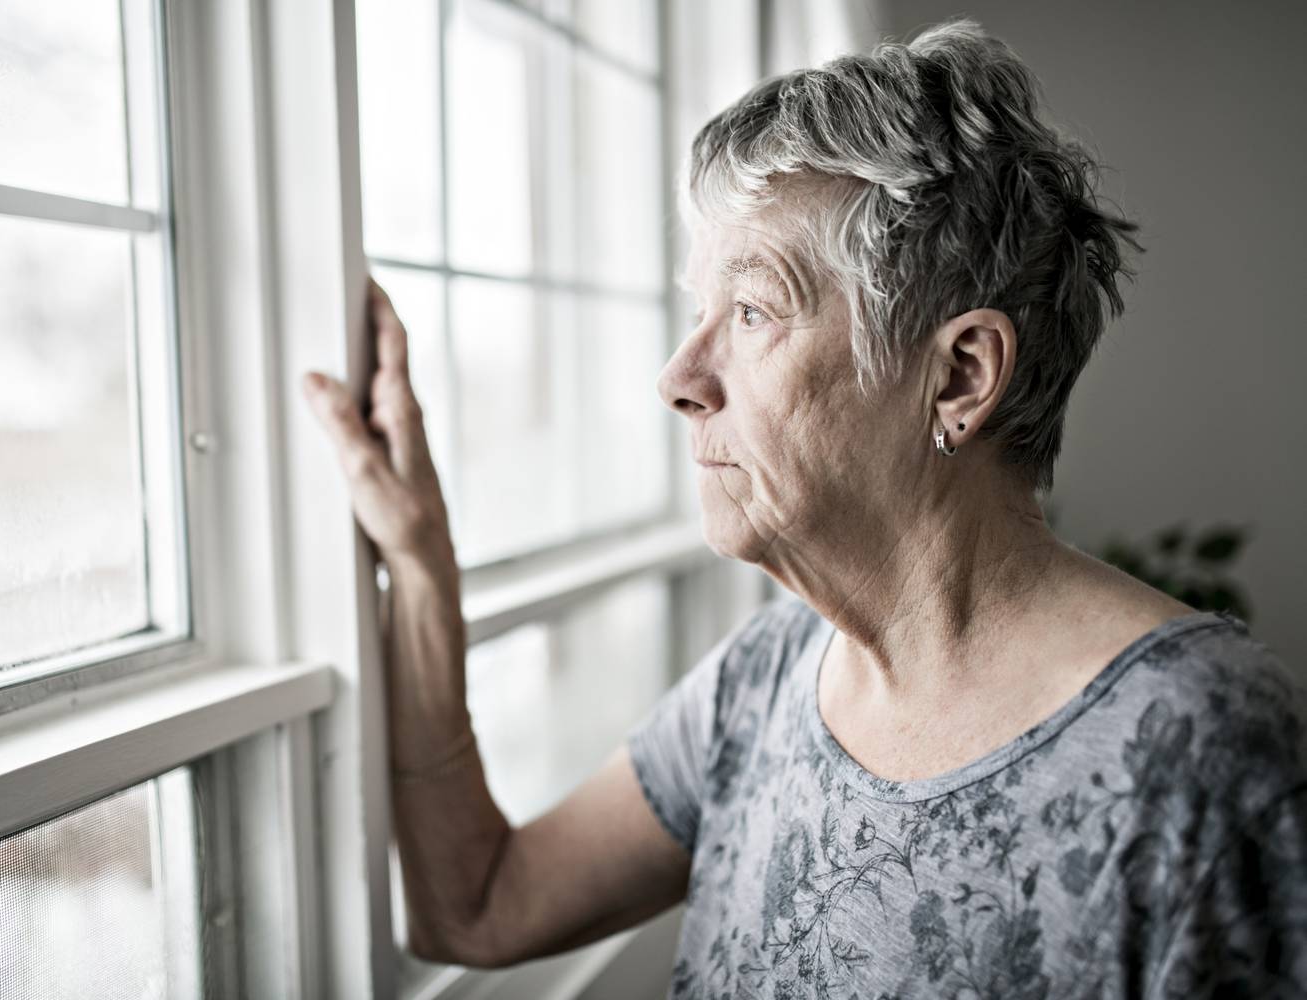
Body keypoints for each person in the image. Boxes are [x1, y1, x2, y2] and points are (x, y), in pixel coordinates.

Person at [303, 19, 1306, 998]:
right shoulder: (770, 673)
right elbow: (477, 907)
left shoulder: (1198, 749)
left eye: (751, 310)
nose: (679, 377)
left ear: (959, 375)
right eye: (697, 312)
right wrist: (423, 567)